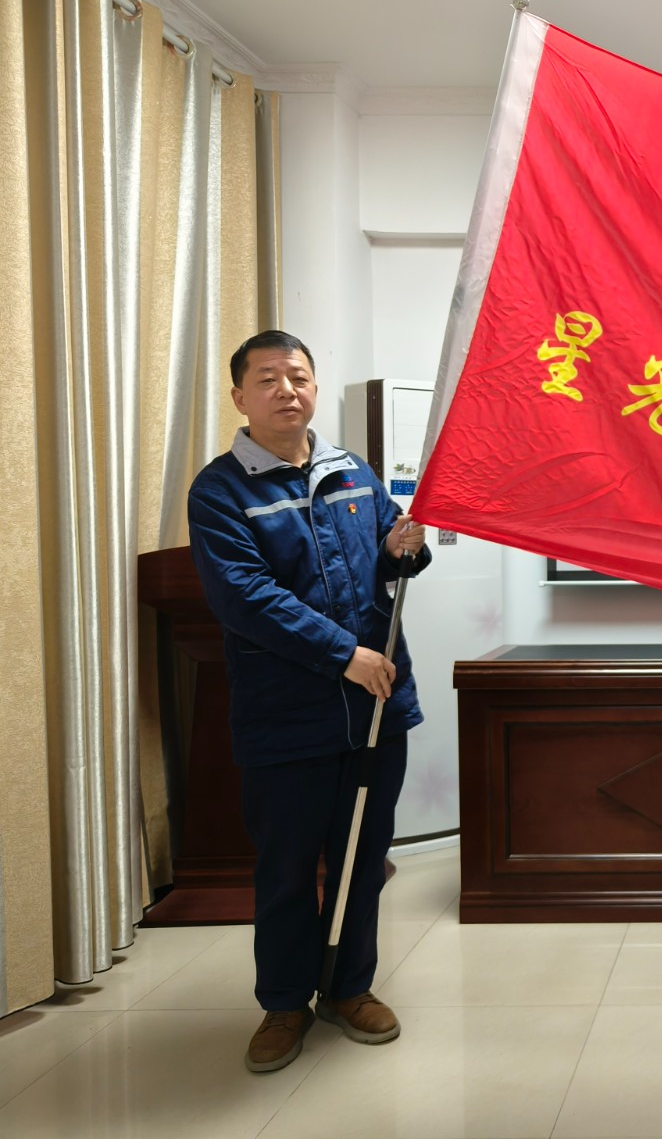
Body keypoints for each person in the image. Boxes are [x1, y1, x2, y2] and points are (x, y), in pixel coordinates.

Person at [188, 329, 430, 1073]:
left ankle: (349, 988)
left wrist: (406, 548)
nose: (285, 390)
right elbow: (245, 597)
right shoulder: (220, 491)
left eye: (297, 376)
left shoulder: (352, 471)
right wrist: (342, 656)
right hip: (286, 715)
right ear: (240, 397)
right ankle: (285, 1003)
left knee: (363, 858)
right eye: (267, 379)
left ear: (314, 388)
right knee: (288, 868)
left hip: (376, 706)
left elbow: (388, 557)